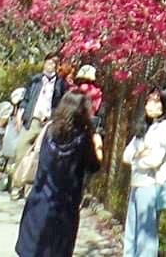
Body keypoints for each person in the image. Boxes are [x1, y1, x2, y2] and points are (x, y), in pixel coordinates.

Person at [16, 91, 102, 257]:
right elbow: (93, 166)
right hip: (65, 208)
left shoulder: (48, 131)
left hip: (39, 201)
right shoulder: (83, 139)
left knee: (31, 250)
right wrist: (98, 146)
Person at [119, 87, 166, 257]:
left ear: (165, 104)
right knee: (131, 235)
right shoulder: (146, 127)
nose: (150, 104)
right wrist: (139, 154)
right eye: (149, 99)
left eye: (156, 101)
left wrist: (138, 158)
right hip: (136, 184)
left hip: (151, 186)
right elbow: (126, 156)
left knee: (146, 239)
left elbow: (155, 160)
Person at [12, 52, 68, 198]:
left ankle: (32, 187)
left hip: (49, 121)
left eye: (54, 64)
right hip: (33, 119)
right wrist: (19, 115)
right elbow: (25, 99)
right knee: (21, 150)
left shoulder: (61, 84)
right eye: (49, 63)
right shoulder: (35, 80)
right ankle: (17, 185)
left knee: (42, 155)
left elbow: (62, 102)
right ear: (44, 63)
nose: (51, 66)